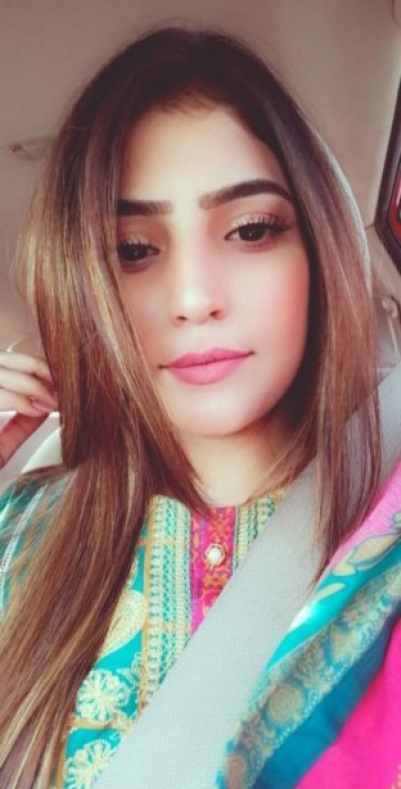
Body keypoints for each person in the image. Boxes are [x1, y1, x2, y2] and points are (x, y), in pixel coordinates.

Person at [0, 24, 399, 789]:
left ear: (316, 250)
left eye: (250, 230)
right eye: (133, 250)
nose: (192, 298)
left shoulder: (385, 538)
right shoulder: (21, 535)